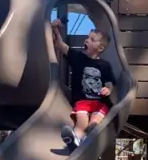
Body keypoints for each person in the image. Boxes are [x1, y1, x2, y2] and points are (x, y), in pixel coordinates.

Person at [50, 19, 117, 147]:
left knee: (95, 121)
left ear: (100, 48)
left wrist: (108, 89)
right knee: (81, 122)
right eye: (87, 37)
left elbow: (109, 82)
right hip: (82, 101)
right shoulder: (77, 57)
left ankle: (90, 133)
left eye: (92, 40)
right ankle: (75, 141)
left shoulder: (104, 65)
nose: (87, 40)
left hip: (100, 102)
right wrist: (56, 31)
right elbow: (60, 45)